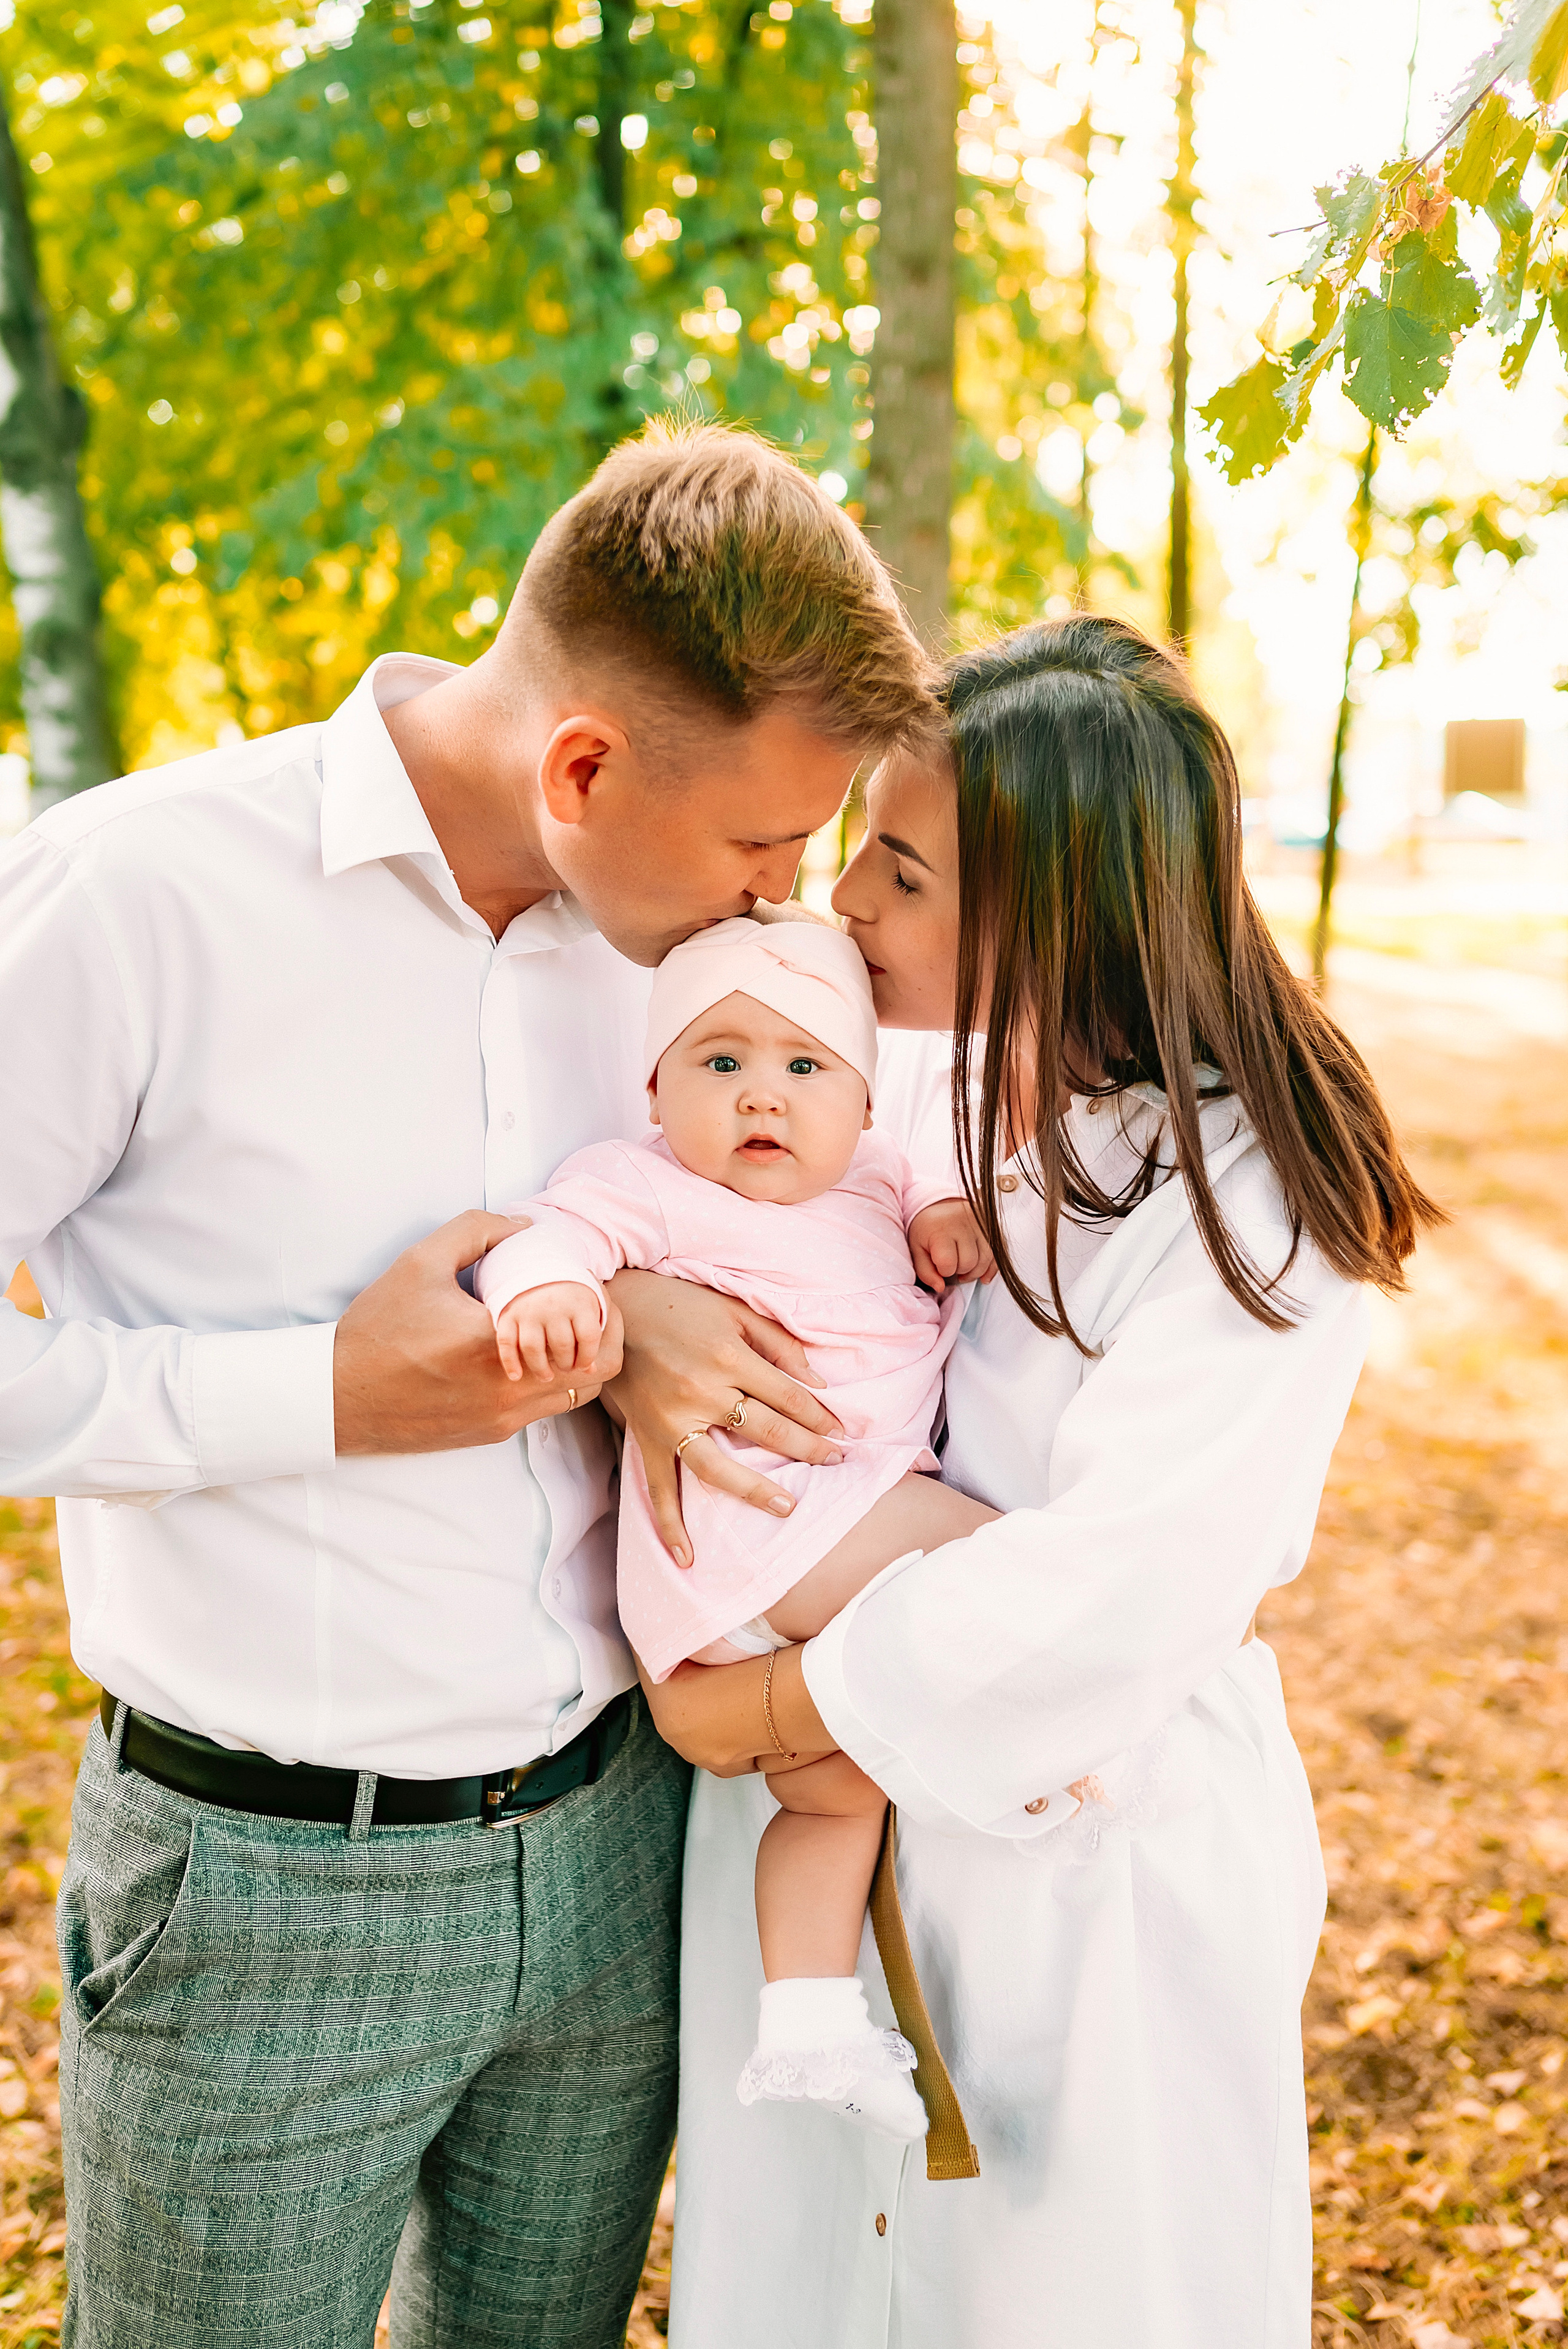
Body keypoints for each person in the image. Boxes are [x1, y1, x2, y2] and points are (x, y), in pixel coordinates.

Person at [0, 420, 935, 2349]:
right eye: (768, 841)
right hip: (265, 1887)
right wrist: (319, 1395)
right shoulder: (137, 897)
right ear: (582, 766)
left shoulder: (683, 960)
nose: (801, 898)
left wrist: (654, 1326)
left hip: (618, 1851)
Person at [623, 615, 1441, 2349]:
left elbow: (1123, 1587)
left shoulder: (1255, 1208)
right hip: (849, 1837)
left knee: (1071, 2296)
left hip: (1078, 1864)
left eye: (902, 872)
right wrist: (630, 1314)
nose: (849, 901)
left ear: (1054, 909)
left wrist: (766, 1704)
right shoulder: (961, 1094)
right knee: (823, 2286)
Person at [473, 915, 997, 2143]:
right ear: (656, 1089)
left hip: (785, 1555)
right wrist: (552, 1288)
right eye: (719, 1064)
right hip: (778, 1521)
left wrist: (947, 1213)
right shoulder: (644, 1181)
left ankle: (806, 2024)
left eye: (804, 1067)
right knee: (1001, 1568)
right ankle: (1073, 1741)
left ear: (863, 1099)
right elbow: (549, 1235)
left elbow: (927, 1180)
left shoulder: (879, 1173)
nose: (761, 1093)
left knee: (832, 1801)